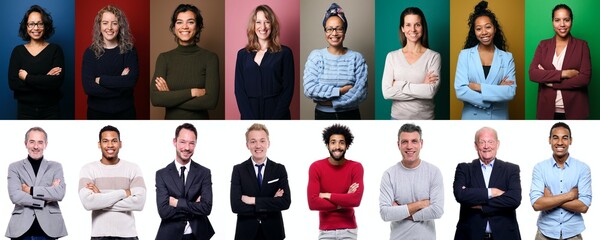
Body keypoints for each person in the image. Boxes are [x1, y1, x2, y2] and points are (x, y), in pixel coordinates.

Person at [150, 4, 220, 119]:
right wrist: (192, 92)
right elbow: (156, 98)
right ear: (174, 27)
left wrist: (170, 98)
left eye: (190, 22)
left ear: (197, 26)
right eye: (179, 22)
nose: (184, 26)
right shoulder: (164, 58)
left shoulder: (210, 58)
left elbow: (211, 102)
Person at [453, 127, 522, 240]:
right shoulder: (464, 168)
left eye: (490, 142)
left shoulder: (511, 169)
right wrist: (492, 192)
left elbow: (514, 200)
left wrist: (481, 205)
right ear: (476, 145)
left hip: (505, 236)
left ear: (497, 144)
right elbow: (460, 194)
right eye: (482, 142)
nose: (486, 146)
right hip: (469, 236)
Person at [78, 125, 146, 240]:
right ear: (99, 144)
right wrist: (124, 192)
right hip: (99, 235)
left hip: (128, 235)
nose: (110, 145)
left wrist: (100, 198)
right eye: (105, 141)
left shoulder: (133, 168)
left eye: (114, 141)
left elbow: (139, 203)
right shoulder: (88, 169)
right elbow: (88, 203)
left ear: (120, 144)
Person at [379, 123, 444, 239]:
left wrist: (401, 211)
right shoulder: (389, 175)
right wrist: (421, 204)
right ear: (398, 144)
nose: (409, 146)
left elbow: (437, 211)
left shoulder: (433, 172)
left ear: (421, 143)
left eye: (414, 141)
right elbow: (385, 213)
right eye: (404, 142)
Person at [303, 3, 368, 120]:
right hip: (322, 115)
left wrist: (328, 102)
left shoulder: (357, 58)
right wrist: (340, 91)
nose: (334, 33)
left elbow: (360, 94)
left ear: (345, 30)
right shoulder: (316, 56)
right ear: (325, 31)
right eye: (329, 29)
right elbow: (309, 89)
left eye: (339, 28)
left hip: (351, 115)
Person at [454, 1, 516, 120]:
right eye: (478, 29)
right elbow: (460, 91)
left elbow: (510, 92)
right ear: (474, 32)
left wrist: (478, 87)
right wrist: (496, 91)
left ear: (494, 28)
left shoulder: (507, 57)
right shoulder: (465, 55)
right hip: (471, 117)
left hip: (499, 118)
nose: (484, 32)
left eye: (488, 27)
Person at [529, 4, 591, 120]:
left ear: (571, 21)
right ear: (552, 22)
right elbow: (533, 74)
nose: (562, 24)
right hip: (546, 110)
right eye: (557, 20)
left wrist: (551, 83)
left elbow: (584, 78)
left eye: (566, 20)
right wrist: (564, 74)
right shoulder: (543, 45)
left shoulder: (582, 45)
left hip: (576, 110)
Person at [530, 122, 591, 240]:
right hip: (545, 233)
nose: (560, 142)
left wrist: (550, 199)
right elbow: (537, 204)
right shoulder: (540, 168)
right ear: (549, 140)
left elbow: (584, 206)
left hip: (573, 233)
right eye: (555, 138)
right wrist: (571, 195)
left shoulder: (583, 168)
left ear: (571, 140)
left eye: (565, 138)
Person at [230, 123, 291, 240]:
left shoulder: (279, 169)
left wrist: (252, 200)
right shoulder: (238, 170)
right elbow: (236, 206)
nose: (258, 145)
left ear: (268, 143)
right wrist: (272, 201)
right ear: (247, 145)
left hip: (274, 232)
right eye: (253, 141)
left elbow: (285, 202)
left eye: (262, 141)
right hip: (246, 233)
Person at [6, 127, 67, 240]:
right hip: (20, 230)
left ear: (45, 144)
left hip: (50, 229)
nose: (36, 146)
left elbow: (59, 194)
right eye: (32, 142)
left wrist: (30, 190)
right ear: (26, 143)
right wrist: (45, 199)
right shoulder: (14, 167)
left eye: (40, 142)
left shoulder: (56, 166)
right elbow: (15, 196)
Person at [155, 123, 214, 240]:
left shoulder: (204, 173)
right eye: (182, 142)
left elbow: (206, 208)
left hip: (199, 234)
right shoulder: (162, 174)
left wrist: (176, 203)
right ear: (174, 142)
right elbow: (163, 212)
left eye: (191, 143)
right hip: (170, 235)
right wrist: (195, 205)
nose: (187, 147)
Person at [235, 5, 295, 120]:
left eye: (267, 22)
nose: (262, 27)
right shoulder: (242, 55)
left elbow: (288, 90)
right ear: (253, 25)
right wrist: (248, 118)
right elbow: (239, 90)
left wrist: (275, 119)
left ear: (272, 25)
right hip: (249, 114)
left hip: (277, 114)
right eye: (258, 22)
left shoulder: (285, 53)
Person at [381, 7, 441, 120]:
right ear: (402, 28)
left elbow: (429, 93)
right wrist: (421, 87)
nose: (413, 29)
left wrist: (398, 85)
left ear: (423, 27)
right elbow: (387, 93)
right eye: (408, 25)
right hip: (397, 119)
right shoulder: (392, 56)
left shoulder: (434, 56)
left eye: (417, 24)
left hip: (425, 119)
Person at [81, 5, 139, 119]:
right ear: (99, 25)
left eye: (115, 23)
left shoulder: (130, 51)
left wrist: (101, 80)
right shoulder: (90, 52)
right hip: (97, 113)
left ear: (120, 26)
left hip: (125, 112)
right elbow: (88, 88)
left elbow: (131, 81)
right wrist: (120, 85)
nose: (110, 27)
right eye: (105, 23)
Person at [307, 124, 363, 239]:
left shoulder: (356, 167)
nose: (337, 146)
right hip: (325, 231)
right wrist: (345, 199)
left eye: (341, 142)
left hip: (349, 231)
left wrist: (327, 195)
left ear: (347, 145)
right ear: (327, 145)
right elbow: (313, 203)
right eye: (333, 142)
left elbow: (355, 200)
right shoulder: (316, 167)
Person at [8, 5, 65, 119]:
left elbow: (56, 82)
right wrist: (45, 79)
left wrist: (27, 77)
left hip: (51, 110)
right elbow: (13, 84)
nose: (36, 28)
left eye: (40, 23)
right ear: (26, 26)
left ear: (45, 25)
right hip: (25, 110)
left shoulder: (55, 50)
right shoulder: (18, 51)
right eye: (31, 24)